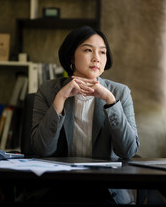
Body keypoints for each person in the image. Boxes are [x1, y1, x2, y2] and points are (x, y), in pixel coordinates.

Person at [31, 26, 140, 204]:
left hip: (105, 188)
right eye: (88, 50)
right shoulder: (48, 91)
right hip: (58, 187)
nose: (97, 58)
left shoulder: (119, 93)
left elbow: (128, 151)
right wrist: (61, 97)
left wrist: (110, 101)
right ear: (71, 57)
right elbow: (42, 149)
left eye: (102, 52)